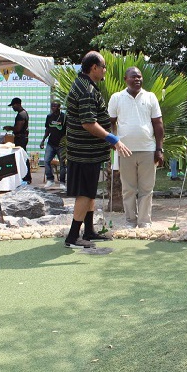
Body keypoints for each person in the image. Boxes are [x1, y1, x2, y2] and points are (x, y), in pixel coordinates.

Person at [64, 51, 131, 248]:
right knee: (85, 193)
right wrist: (113, 139)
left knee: (90, 192)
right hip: (84, 153)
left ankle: (89, 231)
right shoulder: (86, 91)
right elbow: (88, 123)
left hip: (88, 152)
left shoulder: (85, 85)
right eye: (103, 67)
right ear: (94, 68)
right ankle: (73, 236)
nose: (105, 70)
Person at [108, 67, 164, 229]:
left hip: (148, 149)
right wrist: (113, 139)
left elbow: (158, 123)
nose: (137, 79)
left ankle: (144, 222)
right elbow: (110, 122)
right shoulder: (117, 98)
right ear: (126, 79)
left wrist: (159, 149)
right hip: (125, 149)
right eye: (134, 77)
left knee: (147, 189)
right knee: (128, 189)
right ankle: (130, 221)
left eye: (139, 77)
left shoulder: (150, 97)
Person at [3, 97, 32, 184]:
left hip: (21, 138)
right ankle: (26, 177)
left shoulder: (21, 115)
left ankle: (26, 177)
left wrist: (10, 128)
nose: (12, 107)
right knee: (23, 157)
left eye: (13, 105)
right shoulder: (24, 113)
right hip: (23, 137)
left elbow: (17, 129)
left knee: (22, 158)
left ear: (18, 104)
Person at [40, 101, 67, 189]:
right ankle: (50, 179)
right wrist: (43, 140)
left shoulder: (64, 117)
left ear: (59, 107)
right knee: (46, 160)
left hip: (61, 145)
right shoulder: (49, 117)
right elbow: (47, 130)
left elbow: (68, 131)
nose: (53, 108)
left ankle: (62, 182)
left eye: (55, 106)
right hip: (51, 143)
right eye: (52, 106)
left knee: (63, 164)